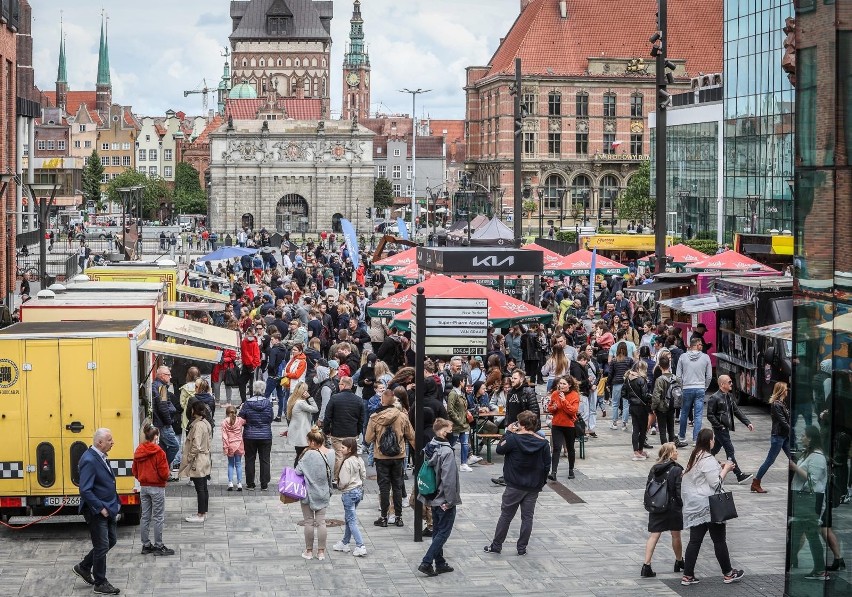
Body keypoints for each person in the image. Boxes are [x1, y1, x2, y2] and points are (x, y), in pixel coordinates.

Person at [680, 428, 745, 586]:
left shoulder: (696, 455)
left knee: (694, 541)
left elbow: (701, 474)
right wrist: (726, 469)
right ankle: (728, 574)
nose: (714, 441)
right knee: (719, 540)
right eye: (713, 438)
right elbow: (716, 484)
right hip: (709, 506)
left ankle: (687, 576)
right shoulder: (707, 459)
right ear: (709, 441)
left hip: (696, 506)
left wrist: (719, 466)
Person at [483, 410, 550, 556]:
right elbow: (547, 466)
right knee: (527, 517)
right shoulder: (543, 442)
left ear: (521, 425)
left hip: (514, 484)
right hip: (533, 486)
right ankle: (522, 548)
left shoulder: (513, 439)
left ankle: (496, 545)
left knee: (506, 515)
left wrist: (507, 433)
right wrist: (541, 482)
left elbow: (500, 449)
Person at [73, 429, 121, 595]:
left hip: (109, 507)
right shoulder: (89, 460)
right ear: (99, 442)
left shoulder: (100, 456)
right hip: (97, 511)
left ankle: (84, 566)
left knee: (111, 540)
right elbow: (85, 490)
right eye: (109, 440)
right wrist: (100, 508)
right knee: (102, 546)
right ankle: (100, 583)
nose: (112, 442)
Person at [418, 418, 462, 577]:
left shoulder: (430, 447)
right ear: (444, 432)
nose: (453, 433)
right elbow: (449, 479)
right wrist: (450, 501)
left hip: (432, 496)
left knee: (437, 531)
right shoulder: (446, 451)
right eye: (451, 430)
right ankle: (427, 561)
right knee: (443, 532)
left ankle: (440, 563)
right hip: (444, 499)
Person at [365, 388, 414, 528]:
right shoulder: (402, 416)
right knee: (397, 486)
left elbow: (368, 438)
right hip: (399, 455)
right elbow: (411, 436)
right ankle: (398, 517)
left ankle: (383, 518)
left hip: (381, 456)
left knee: (384, 487)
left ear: (382, 400)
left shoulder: (375, 417)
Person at [789, 425, 830, 581]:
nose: (801, 438)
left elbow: (812, 480)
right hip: (804, 501)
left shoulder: (817, 457)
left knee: (811, 534)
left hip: (810, 501)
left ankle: (820, 570)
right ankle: (794, 563)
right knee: (797, 533)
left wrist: (795, 468)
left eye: (803, 436)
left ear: (811, 438)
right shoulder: (809, 454)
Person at [641, 443, 684, 578]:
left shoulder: (654, 468)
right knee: (675, 535)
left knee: (654, 535)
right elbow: (678, 491)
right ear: (671, 454)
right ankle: (679, 561)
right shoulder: (676, 470)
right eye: (676, 451)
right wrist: (681, 504)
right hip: (672, 507)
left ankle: (646, 565)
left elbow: (649, 487)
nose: (677, 453)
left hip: (657, 505)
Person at [132, 424, 174, 557]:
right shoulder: (159, 451)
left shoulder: (139, 450)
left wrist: (142, 478)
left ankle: (145, 544)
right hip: (157, 487)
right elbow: (163, 472)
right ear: (156, 437)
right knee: (158, 517)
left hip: (144, 487)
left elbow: (134, 470)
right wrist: (167, 477)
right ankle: (158, 545)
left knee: (145, 516)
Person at [295, 426, 336, 561]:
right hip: (323, 491)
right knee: (321, 522)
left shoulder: (308, 455)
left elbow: (297, 472)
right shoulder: (331, 453)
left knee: (309, 522)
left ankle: (308, 551)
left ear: (312, 441)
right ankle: (321, 552)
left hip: (308, 492)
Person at [706, 375, 755, 484]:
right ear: (722, 384)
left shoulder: (729, 396)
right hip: (721, 429)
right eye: (729, 382)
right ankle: (739, 475)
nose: (731, 384)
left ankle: (704, 460)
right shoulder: (714, 398)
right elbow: (710, 415)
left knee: (714, 450)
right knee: (730, 450)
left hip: (724, 429)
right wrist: (719, 426)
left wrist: (747, 423)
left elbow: (736, 411)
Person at [752, 382, 792, 494]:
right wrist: (792, 431)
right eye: (785, 389)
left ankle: (799, 484)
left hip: (784, 436)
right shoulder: (776, 405)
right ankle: (756, 482)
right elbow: (783, 421)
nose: (787, 391)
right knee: (770, 460)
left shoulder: (782, 403)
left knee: (793, 458)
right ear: (781, 391)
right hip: (778, 436)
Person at [322, 376, 365, 479]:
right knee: (350, 456)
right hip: (352, 433)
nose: (339, 386)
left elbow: (327, 416)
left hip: (337, 433)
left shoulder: (335, 398)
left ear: (344, 385)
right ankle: (351, 477)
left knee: (339, 456)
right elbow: (361, 419)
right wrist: (358, 431)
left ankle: (337, 478)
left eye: (340, 384)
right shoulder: (359, 400)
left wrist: (326, 430)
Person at [332, 437, 368, 557]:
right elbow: (363, 475)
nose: (341, 449)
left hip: (349, 493)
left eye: (343, 447)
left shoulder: (347, 462)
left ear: (349, 449)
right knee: (348, 518)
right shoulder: (358, 459)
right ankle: (345, 542)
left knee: (351, 520)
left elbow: (344, 480)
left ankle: (360, 545)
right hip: (358, 491)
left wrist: (340, 486)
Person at [179, 401, 212, 523]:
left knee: (200, 488)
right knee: (203, 486)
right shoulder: (205, 423)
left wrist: (189, 458)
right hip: (205, 457)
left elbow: (196, 445)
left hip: (199, 459)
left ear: (194, 410)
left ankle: (200, 514)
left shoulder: (198, 426)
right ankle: (203, 511)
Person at [676, 338, 713, 445]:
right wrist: (704, 387)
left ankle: (682, 436)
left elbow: (678, 376)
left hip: (687, 387)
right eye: (700, 344)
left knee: (684, 413)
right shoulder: (706, 357)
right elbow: (709, 376)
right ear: (696, 345)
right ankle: (696, 438)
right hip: (700, 388)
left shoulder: (683, 357)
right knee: (698, 414)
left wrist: (682, 386)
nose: (702, 346)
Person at [239, 380, 274, 491]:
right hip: (265, 435)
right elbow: (270, 418)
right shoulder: (268, 403)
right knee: (265, 459)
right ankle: (264, 484)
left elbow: (241, 417)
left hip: (249, 435)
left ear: (253, 389)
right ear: (263, 390)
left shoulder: (247, 403)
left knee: (249, 459)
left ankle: (250, 483)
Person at [547, 376, 579, 481]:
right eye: (560, 383)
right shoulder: (555, 394)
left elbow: (573, 411)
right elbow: (550, 408)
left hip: (569, 425)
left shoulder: (574, 395)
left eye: (564, 384)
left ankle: (571, 470)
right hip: (557, 424)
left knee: (570, 448)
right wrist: (554, 408)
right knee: (556, 448)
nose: (561, 386)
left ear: (569, 385)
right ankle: (554, 472)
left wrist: (564, 401)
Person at [651, 354, 685, 447]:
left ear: (660, 366)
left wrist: (653, 408)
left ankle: (665, 450)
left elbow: (656, 396)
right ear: (669, 365)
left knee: (662, 430)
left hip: (662, 408)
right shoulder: (675, 378)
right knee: (671, 429)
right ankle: (671, 448)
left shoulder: (660, 379)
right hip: (672, 406)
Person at [151, 366, 179, 476]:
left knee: (162, 448)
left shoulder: (157, 386)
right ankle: (163, 468)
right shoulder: (162, 388)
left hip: (159, 423)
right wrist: (168, 421)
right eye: (168, 375)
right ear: (162, 376)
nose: (170, 377)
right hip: (163, 424)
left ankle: (161, 469)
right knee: (174, 446)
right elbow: (163, 407)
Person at [625, 360, 652, 461]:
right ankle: (639, 450)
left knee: (635, 429)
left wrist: (631, 399)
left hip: (632, 406)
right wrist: (650, 398)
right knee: (643, 429)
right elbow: (645, 395)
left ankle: (636, 451)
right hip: (642, 406)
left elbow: (624, 393)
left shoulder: (628, 378)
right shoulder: (641, 380)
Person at [446, 374, 473, 472]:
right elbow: (450, 410)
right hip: (456, 424)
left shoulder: (461, 393)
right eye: (464, 381)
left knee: (465, 443)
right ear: (460, 382)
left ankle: (464, 463)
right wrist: (458, 420)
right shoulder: (453, 394)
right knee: (451, 444)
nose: (465, 383)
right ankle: (448, 461)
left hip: (464, 424)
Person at [608, 341, 634, 431]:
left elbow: (610, 374)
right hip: (626, 383)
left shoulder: (614, 360)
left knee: (615, 403)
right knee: (626, 404)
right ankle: (624, 424)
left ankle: (614, 423)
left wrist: (608, 383)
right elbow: (632, 372)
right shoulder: (629, 360)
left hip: (616, 384)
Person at [221, 405, 245, 491]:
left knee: (230, 464)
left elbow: (224, 436)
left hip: (230, 445)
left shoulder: (224, 422)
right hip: (239, 444)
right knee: (238, 464)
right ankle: (239, 483)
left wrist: (225, 447)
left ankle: (230, 482)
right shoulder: (240, 420)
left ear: (227, 413)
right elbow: (246, 420)